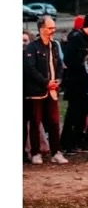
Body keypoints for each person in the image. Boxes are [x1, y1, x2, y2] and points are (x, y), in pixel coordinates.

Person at [24, 16, 66, 164]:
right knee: (35, 122)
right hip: (36, 92)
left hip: (52, 90)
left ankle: (57, 152)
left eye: (54, 27)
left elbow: (60, 65)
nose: (53, 30)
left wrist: (58, 80)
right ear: (42, 29)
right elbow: (30, 68)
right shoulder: (32, 47)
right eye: (50, 28)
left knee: (54, 122)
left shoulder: (54, 45)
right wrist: (45, 82)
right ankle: (35, 153)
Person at [60, 14, 88, 156]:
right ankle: (66, 143)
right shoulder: (76, 39)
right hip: (76, 83)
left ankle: (77, 141)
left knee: (83, 115)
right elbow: (69, 60)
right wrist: (82, 68)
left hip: (86, 84)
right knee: (73, 113)